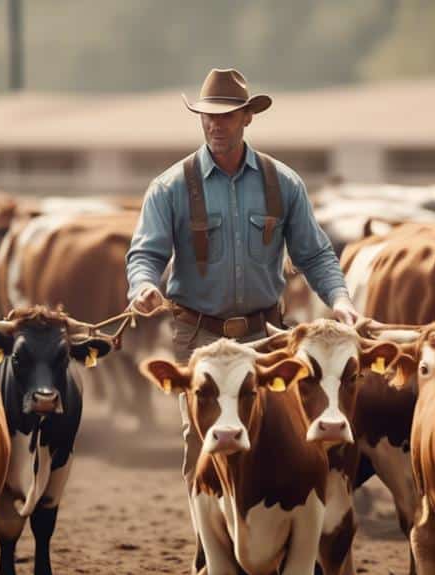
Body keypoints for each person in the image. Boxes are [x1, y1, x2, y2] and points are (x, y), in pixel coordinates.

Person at [125, 67, 358, 571]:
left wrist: (339, 299)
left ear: (248, 117)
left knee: (286, 441)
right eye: (208, 116)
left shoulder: (282, 183)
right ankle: (211, 552)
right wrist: (143, 287)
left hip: (265, 335)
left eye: (227, 115)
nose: (216, 125)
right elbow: (144, 254)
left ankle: (294, 543)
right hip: (200, 338)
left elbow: (316, 256)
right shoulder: (170, 186)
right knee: (204, 447)